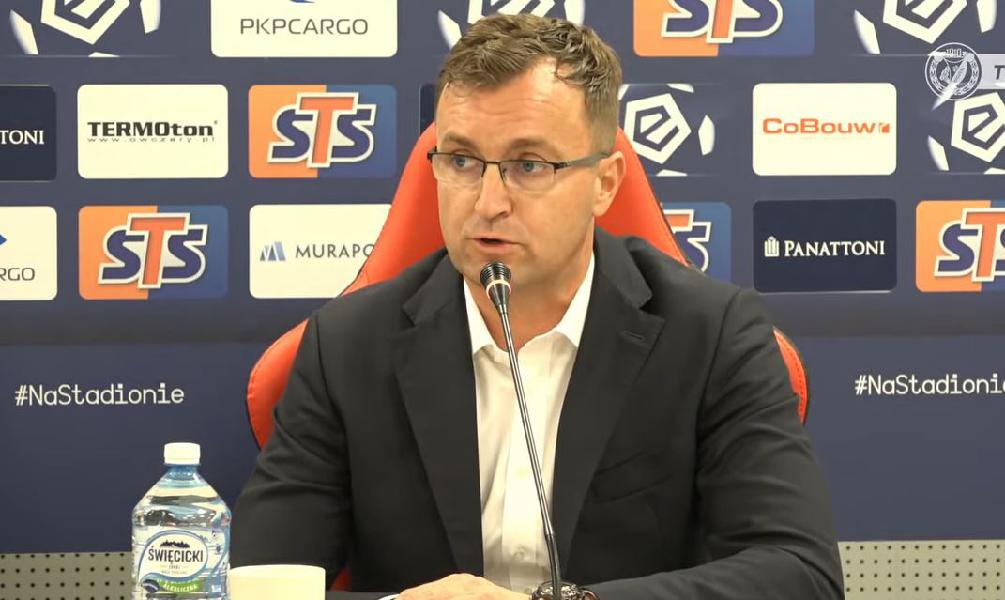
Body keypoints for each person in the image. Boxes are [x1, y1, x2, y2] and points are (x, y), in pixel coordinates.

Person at [231, 13, 844, 600]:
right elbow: (260, 583)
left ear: (605, 182)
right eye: (462, 161)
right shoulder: (345, 348)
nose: (487, 202)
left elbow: (799, 575)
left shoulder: (711, 337)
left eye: (529, 165)